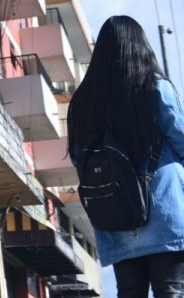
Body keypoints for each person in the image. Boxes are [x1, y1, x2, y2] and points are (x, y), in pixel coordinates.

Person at [67, 15, 184, 297]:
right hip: (163, 208)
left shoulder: (82, 103)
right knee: (171, 290)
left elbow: (77, 158)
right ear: (140, 46)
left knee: (130, 292)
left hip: (115, 214)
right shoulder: (155, 87)